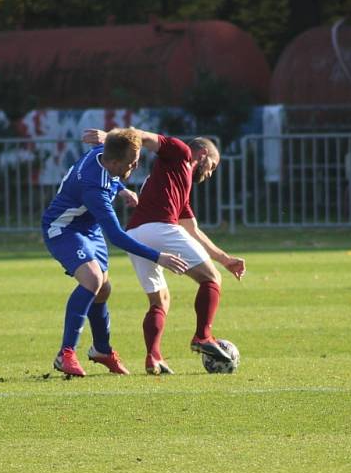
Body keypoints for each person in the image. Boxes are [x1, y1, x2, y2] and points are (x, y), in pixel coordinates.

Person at [82, 128, 246, 375]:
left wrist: (225, 259)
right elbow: (144, 137)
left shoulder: (180, 183)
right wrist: (112, 138)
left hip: (136, 234)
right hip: (159, 227)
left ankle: (153, 357)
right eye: (212, 165)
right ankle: (203, 336)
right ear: (202, 154)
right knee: (211, 279)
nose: (211, 173)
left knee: (160, 300)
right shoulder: (180, 151)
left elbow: (192, 230)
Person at [41, 128, 188, 377]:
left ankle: (101, 350)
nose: (135, 166)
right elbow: (118, 236)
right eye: (130, 163)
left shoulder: (104, 153)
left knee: (103, 289)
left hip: (89, 228)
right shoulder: (94, 187)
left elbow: (114, 154)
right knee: (93, 280)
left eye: (137, 160)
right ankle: (65, 353)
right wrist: (158, 256)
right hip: (63, 228)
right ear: (113, 162)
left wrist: (121, 188)